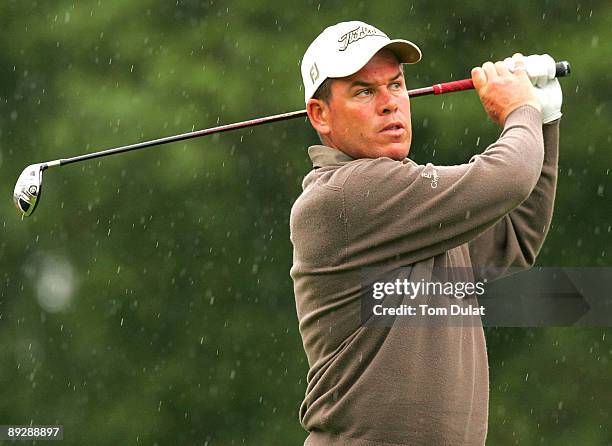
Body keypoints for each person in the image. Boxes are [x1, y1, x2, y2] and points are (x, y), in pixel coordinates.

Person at [290, 20, 561, 446]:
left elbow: (516, 236)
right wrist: (521, 111)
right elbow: (510, 176)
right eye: (364, 91)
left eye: (395, 85)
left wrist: (544, 119)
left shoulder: (413, 210)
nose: (389, 103)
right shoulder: (345, 195)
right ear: (319, 115)